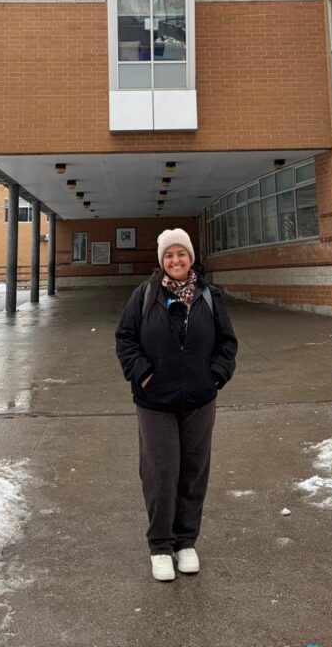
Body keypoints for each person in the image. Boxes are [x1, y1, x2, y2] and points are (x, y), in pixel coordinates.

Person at [115, 228, 238, 582]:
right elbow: (125, 339)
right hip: (154, 401)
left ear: (190, 258)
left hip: (199, 399)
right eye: (169, 255)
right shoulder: (145, 296)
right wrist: (143, 374)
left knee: (194, 470)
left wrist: (215, 376)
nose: (175, 260)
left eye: (181, 254)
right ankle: (160, 545)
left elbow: (227, 343)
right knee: (161, 471)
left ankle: (186, 542)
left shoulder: (208, 295)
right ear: (161, 261)